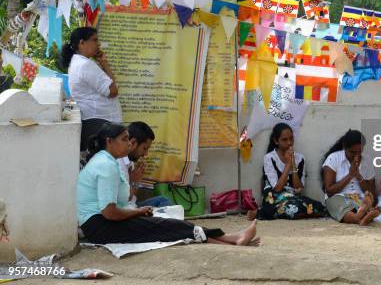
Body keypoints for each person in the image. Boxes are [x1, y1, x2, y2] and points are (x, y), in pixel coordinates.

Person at [77, 122, 259, 245]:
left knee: (164, 227)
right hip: (100, 227)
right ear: (109, 142)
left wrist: (136, 209)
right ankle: (231, 238)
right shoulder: (106, 165)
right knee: (163, 227)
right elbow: (109, 212)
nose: (128, 144)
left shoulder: (107, 161)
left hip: (100, 225)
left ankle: (230, 239)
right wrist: (138, 212)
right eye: (124, 139)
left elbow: (118, 204)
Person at [61, 27, 121, 159]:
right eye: (94, 40)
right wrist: (105, 65)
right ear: (82, 43)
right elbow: (113, 90)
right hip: (99, 122)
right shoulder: (85, 65)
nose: (98, 44)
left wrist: (103, 63)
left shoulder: (78, 63)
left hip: (95, 121)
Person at [247, 123, 325, 220]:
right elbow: (277, 188)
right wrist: (288, 164)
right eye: (284, 140)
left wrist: (293, 164)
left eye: (291, 138)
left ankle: (265, 212)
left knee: (320, 207)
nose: (289, 143)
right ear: (276, 141)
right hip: (274, 198)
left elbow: (298, 188)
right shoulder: (269, 158)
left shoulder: (300, 158)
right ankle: (263, 212)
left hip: (292, 197)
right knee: (296, 209)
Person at [321, 129, 381, 225]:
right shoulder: (333, 158)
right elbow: (329, 191)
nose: (357, 156)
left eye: (360, 151)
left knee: (367, 200)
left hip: (360, 197)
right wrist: (350, 175)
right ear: (345, 148)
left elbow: (372, 192)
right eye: (353, 152)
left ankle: (362, 213)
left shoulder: (367, 160)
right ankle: (360, 217)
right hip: (338, 197)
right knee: (343, 208)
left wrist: (358, 176)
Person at [119, 121, 172, 208]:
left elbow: (132, 198)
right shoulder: (118, 163)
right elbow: (124, 200)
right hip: (124, 211)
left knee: (162, 201)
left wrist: (136, 181)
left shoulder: (130, 162)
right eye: (144, 148)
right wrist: (133, 181)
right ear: (133, 143)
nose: (146, 154)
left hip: (133, 206)